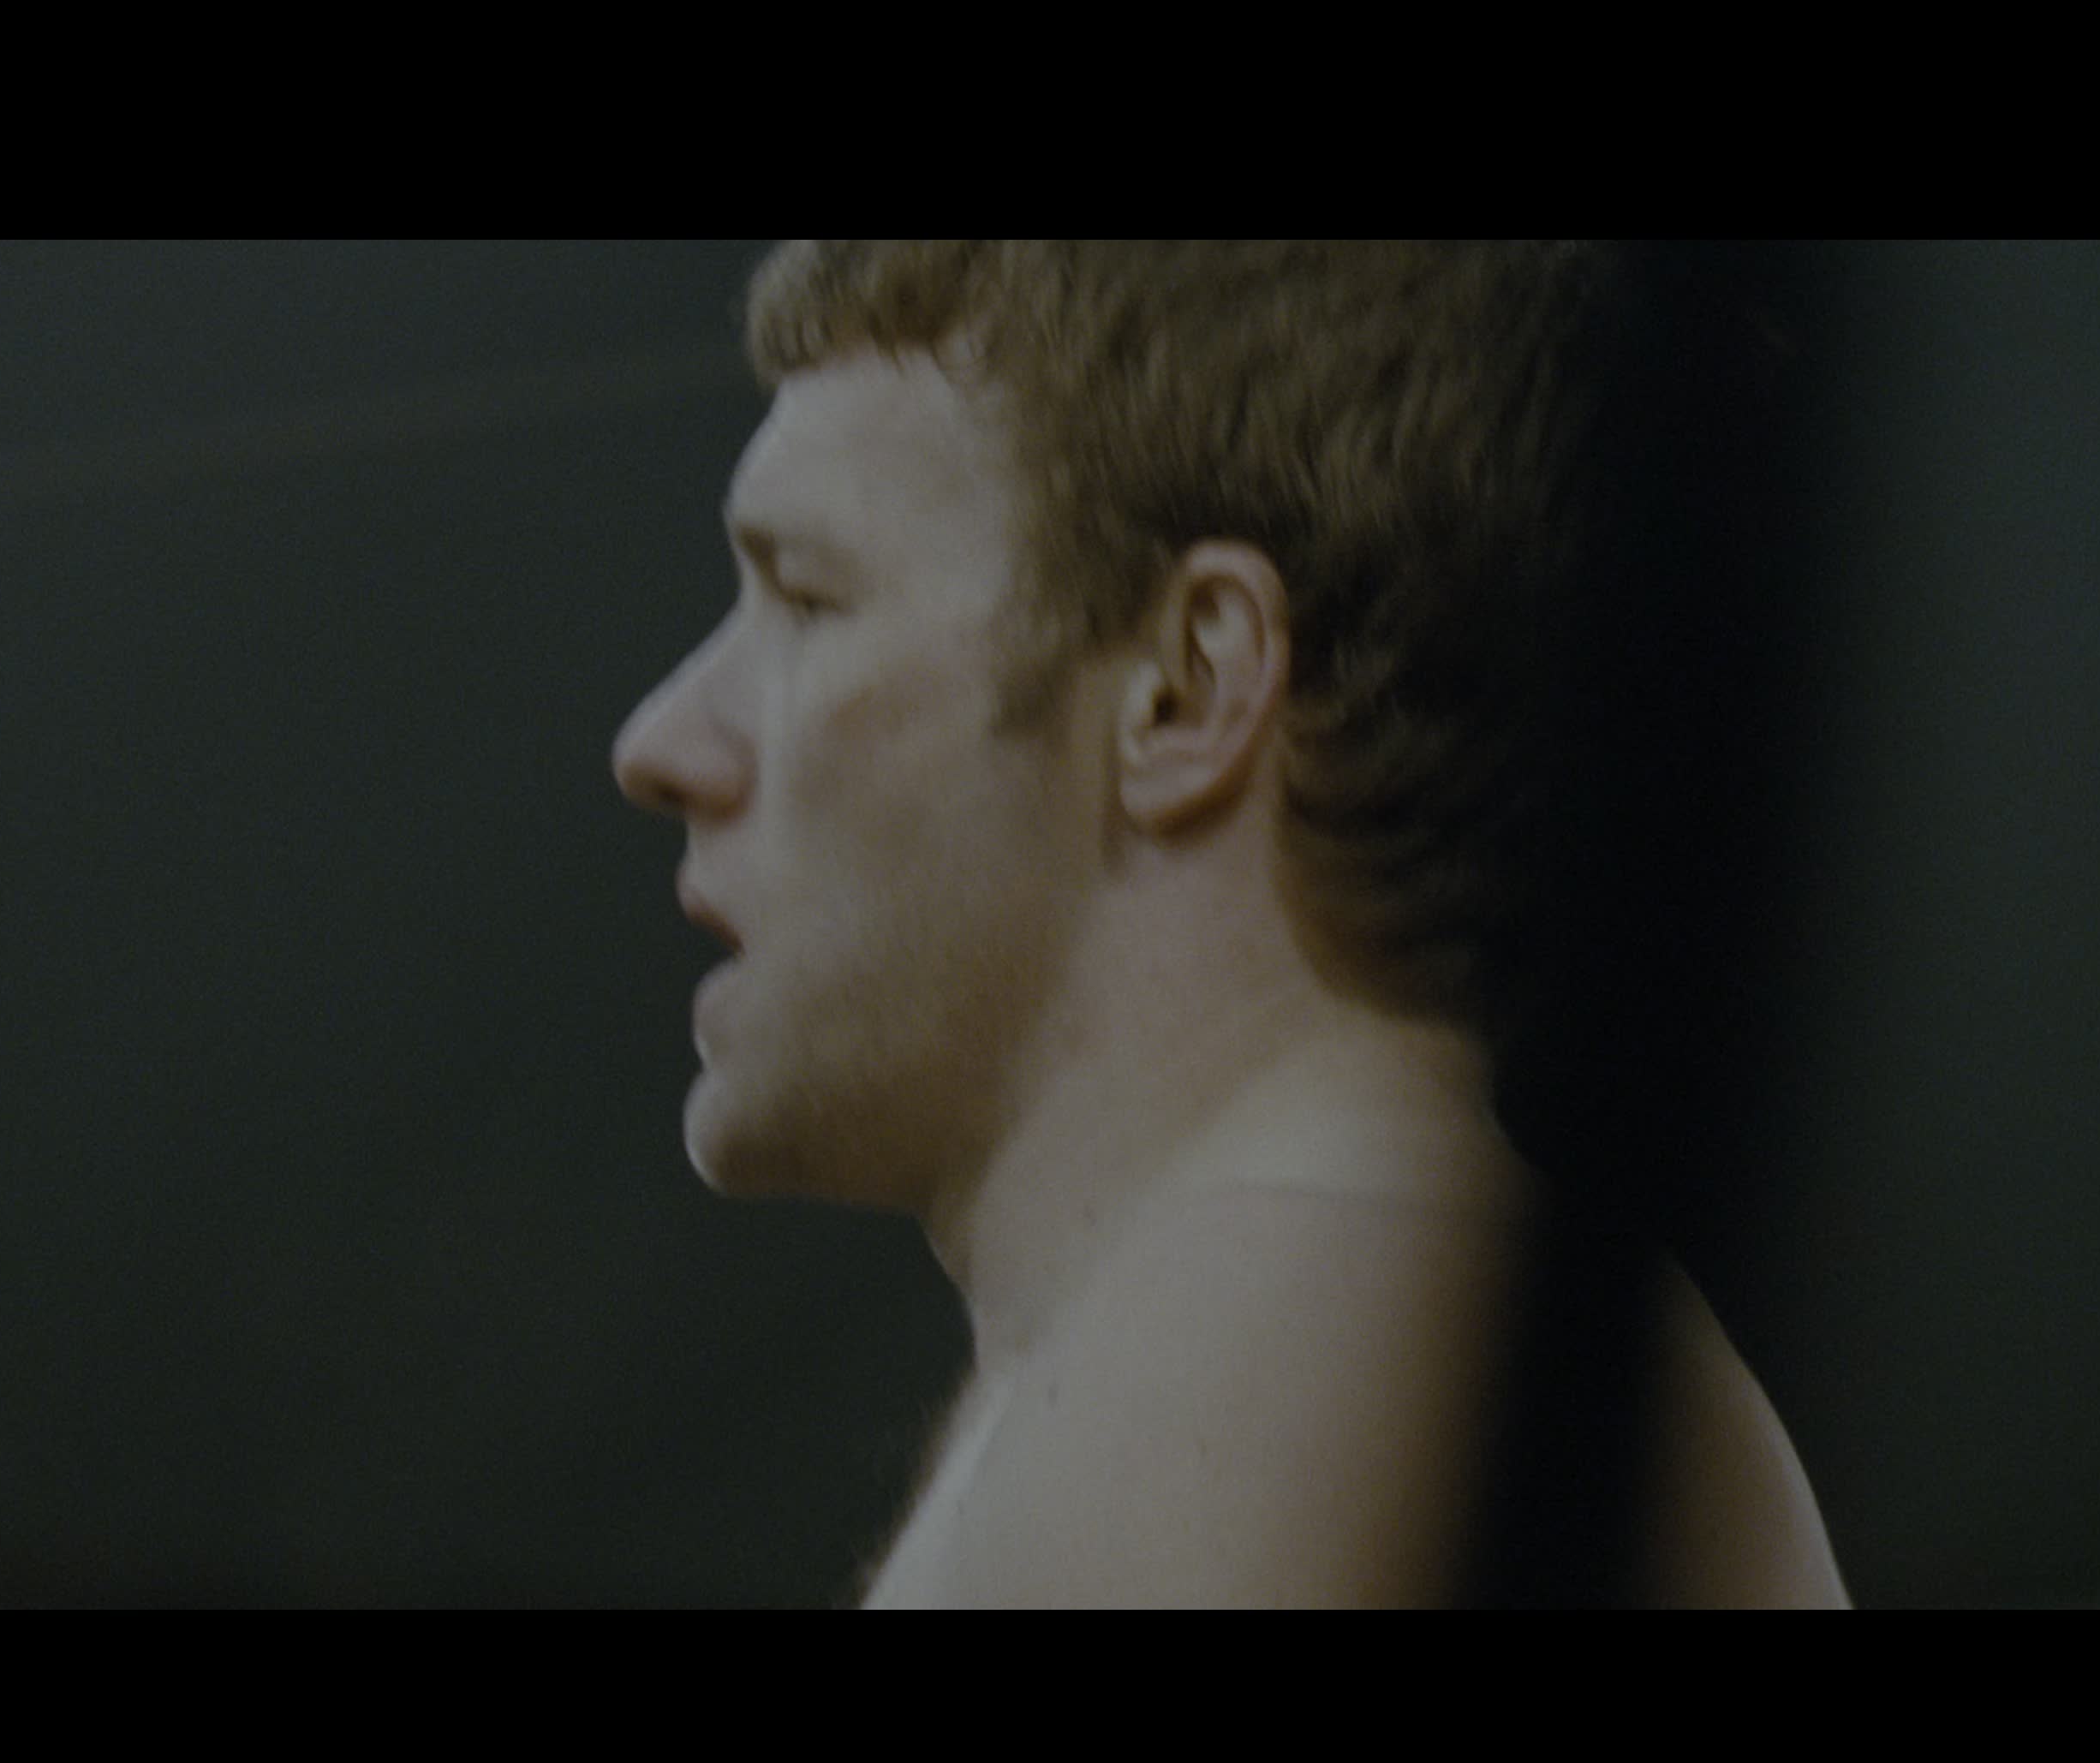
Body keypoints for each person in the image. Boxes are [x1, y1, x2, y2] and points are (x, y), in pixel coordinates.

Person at [611, 241, 1846, 1607]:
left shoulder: (1293, 1347)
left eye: (807, 597)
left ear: (1189, 689)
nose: (661, 743)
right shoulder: (1308, 1315)